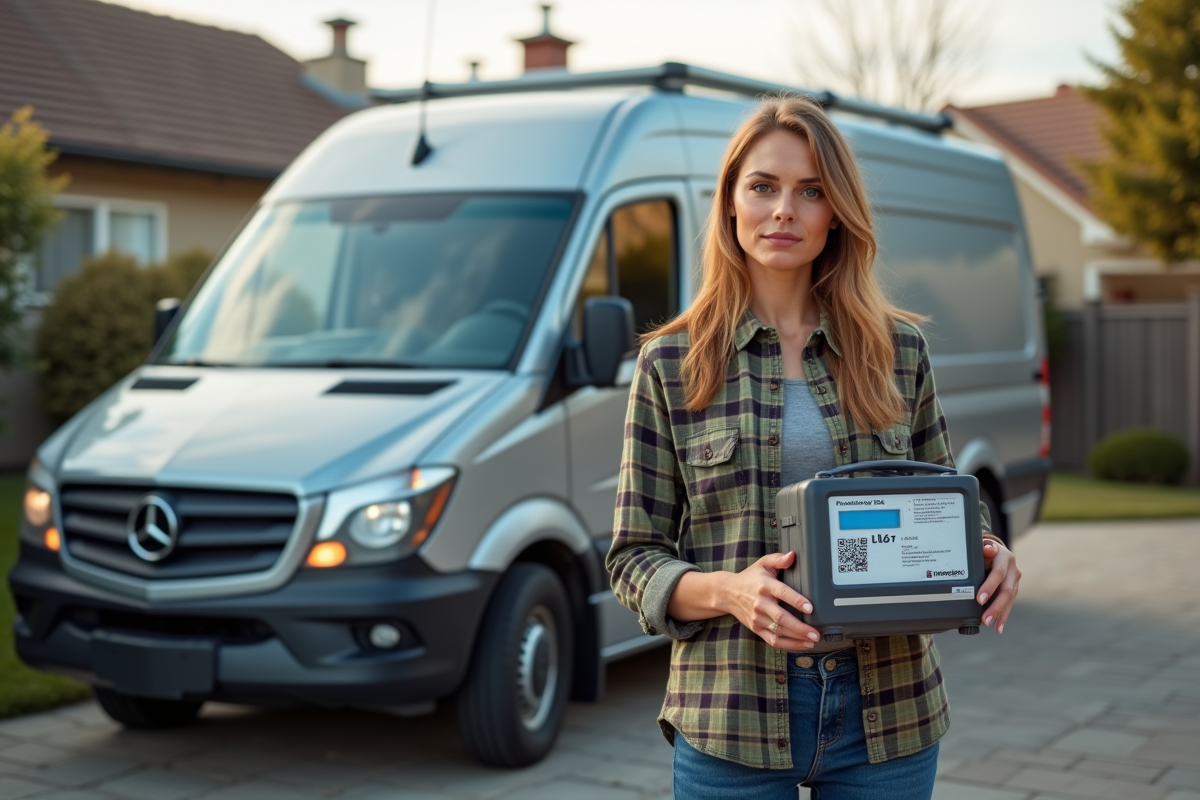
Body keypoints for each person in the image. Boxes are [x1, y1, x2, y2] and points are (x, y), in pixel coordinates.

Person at [606, 95, 1022, 800]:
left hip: (886, 714)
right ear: (731, 203)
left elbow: (953, 506)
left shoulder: (900, 351)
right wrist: (732, 592)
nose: (784, 211)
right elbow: (631, 556)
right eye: (763, 186)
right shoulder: (669, 363)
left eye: (811, 191)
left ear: (838, 214)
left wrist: (990, 551)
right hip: (731, 712)